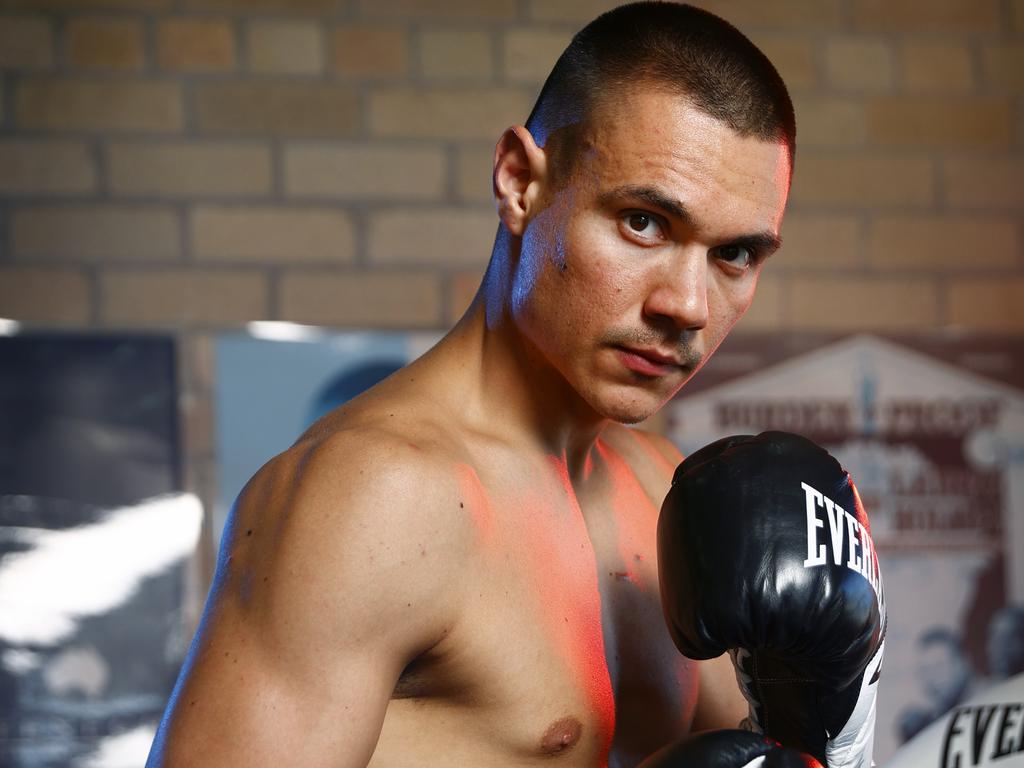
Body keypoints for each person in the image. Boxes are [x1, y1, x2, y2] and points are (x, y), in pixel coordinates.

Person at [147, 3, 796, 766]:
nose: (686, 304)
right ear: (520, 183)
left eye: (736, 255)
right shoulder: (376, 495)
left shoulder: (661, 492)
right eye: (644, 223)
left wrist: (831, 709)